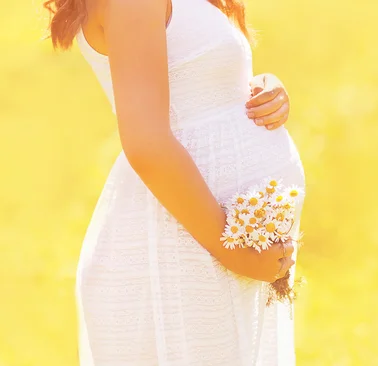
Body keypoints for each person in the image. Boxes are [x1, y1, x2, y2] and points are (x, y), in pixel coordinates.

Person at [44, 0, 305, 364]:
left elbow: (196, 85)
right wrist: (236, 254)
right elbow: (147, 142)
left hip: (208, 238)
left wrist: (260, 90)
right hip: (185, 242)